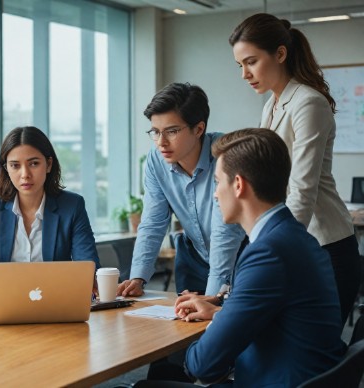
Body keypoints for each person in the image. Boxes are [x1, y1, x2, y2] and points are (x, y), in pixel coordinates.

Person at [170, 128, 346, 386]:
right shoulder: (295, 236)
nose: (215, 194)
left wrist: (214, 331)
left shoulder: (268, 252)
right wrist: (221, 315)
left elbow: (203, 365)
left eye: (217, 182)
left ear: (238, 185)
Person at [230, 13, 361, 326]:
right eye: (240, 66)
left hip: (324, 245)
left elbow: (302, 188)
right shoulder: (272, 104)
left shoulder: (309, 102)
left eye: (251, 62)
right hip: (294, 239)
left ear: (280, 54)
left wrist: (274, 249)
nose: (245, 74)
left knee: (315, 353)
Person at [117, 83, 246, 298]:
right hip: (194, 256)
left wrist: (211, 299)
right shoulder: (156, 160)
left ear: (199, 129)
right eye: (155, 132)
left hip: (240, 253)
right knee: (183, 322)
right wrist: (138, 277)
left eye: (172, 131)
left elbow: (226, 232)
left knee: (227, 325)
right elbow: (152, 221)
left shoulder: (227, 155)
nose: (161, 142)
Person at [0, 126, 100, 293]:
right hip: (8, 300)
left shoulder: (72, 206)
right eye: (15, 165)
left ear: (48, 164)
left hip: (56, 299)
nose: (25, 174)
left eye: (34, 164)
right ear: (6, 169)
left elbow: (89, 267)